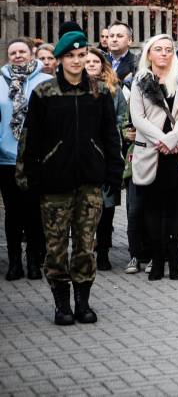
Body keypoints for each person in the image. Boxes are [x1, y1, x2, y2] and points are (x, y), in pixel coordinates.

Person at [16, 30, 123, 325]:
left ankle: (83, 303)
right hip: (54, 183)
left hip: (90, 182)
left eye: (82, 55)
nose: (77, 61)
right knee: (56, 247)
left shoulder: (99, 92)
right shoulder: (45, 93)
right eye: (70, 56)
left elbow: (110, 136)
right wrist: (30, 178)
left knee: (86, 246)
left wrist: (114, 173)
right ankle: (62, 305)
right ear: (60, 60)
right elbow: (31, 139)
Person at [129, 35, 178, 281]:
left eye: (168, 49)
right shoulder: (140, 81)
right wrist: (162, 139)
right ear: (149, 53)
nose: (163, 53)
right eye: (158, 49)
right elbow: (137, 118)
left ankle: (175, 261)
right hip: (152, 152)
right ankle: (157, 261)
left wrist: (172, 139)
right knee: (152, 208)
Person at [1, 37, 52, 280]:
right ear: (8, 56)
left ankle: (34, 260)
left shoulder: (45, 82)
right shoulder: (1, 81)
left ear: (32, 54)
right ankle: (14, 262)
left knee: (34, 212)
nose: (18, 56)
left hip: (35, 159)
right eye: (13, 52)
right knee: (12, 213)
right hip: (6, 158)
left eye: (22, 51)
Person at [84, 47, 129, 272]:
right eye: (88, 61)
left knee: (107, 206)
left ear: (103, 64)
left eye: (96, 61)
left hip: (108, 152)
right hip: (83, 154)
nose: (91, 64)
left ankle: (103, 252)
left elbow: (122, 116)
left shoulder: (114, 89)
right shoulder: (74, 88)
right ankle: (84, 252)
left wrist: (114, 132)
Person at [104, 22, 137, 86]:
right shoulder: (100, 60)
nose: (114, 39)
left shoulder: (136, 62)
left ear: (129, 41)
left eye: (119, 36)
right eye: (111, 36)